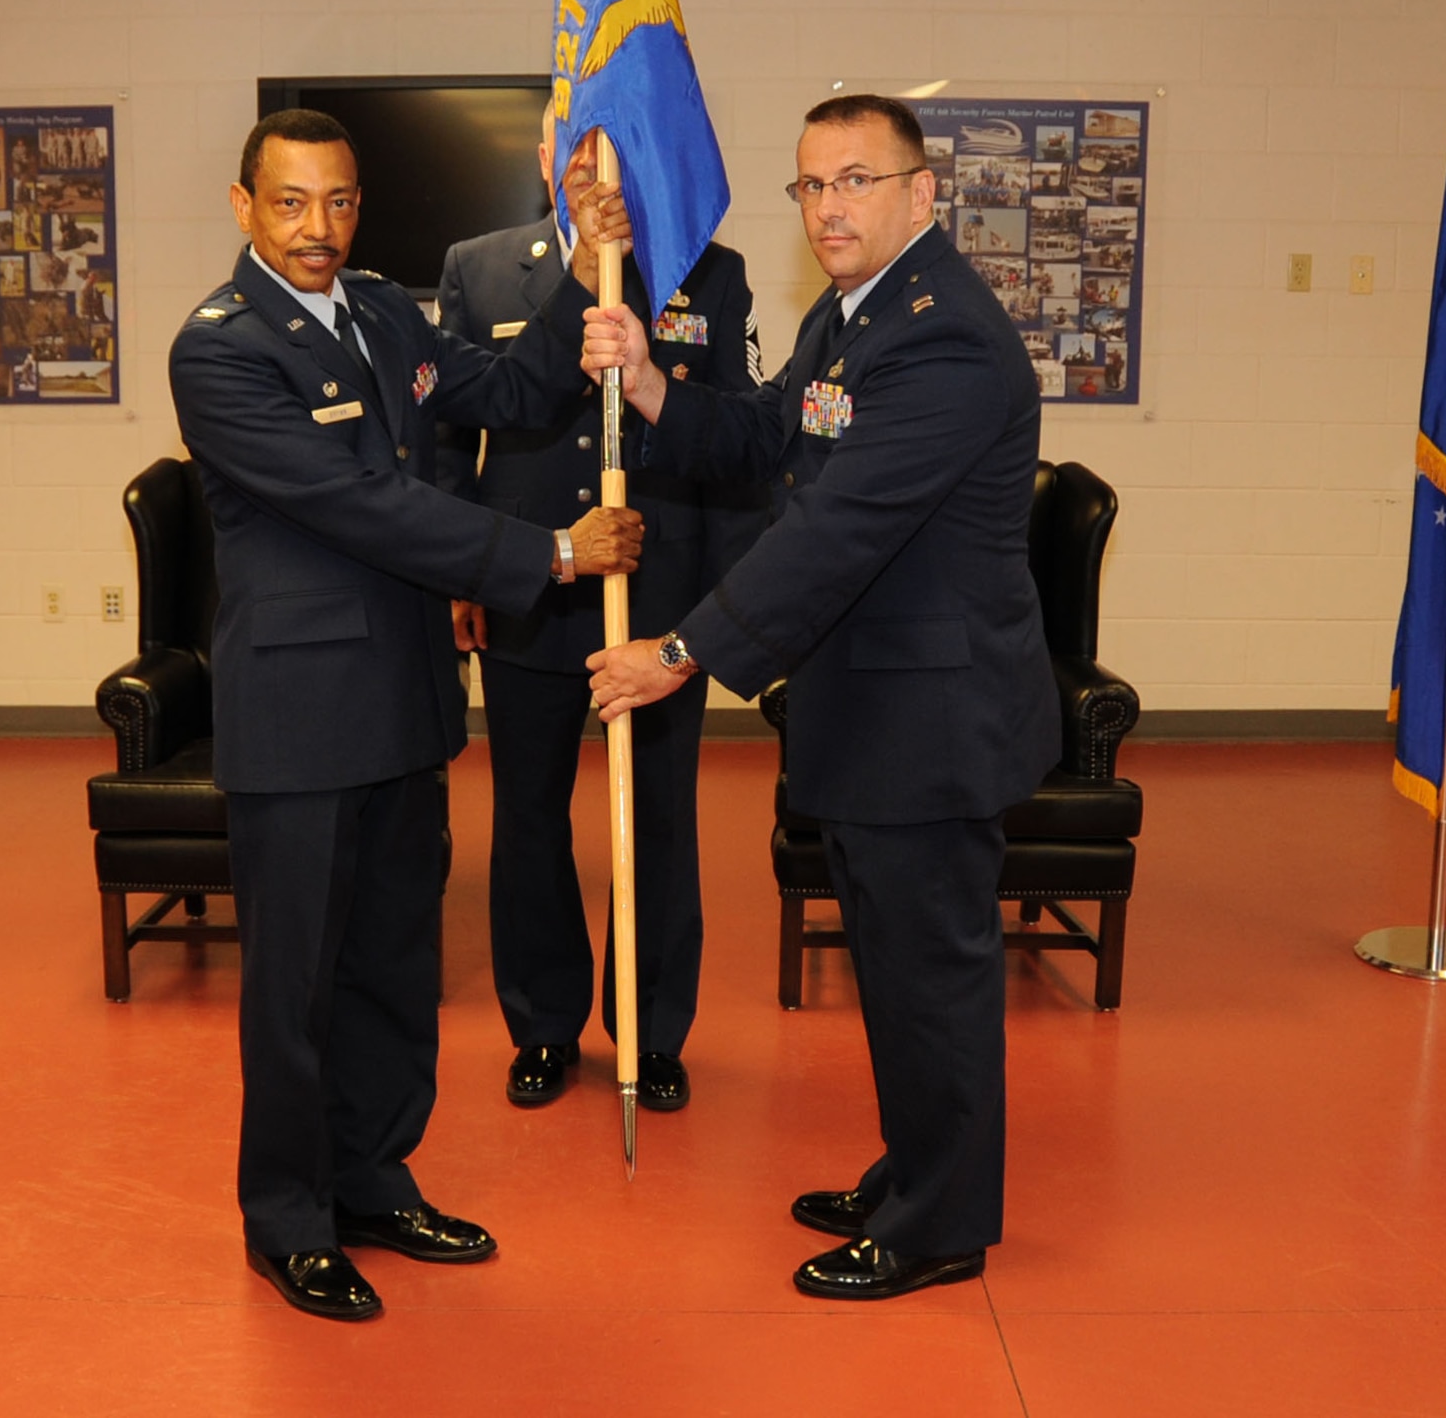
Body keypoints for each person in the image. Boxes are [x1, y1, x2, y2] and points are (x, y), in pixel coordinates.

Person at [168, 109, 642, 1323]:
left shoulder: (381, 308)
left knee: (392, 964)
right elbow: (361, 502)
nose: (316, 228)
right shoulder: (219, 352)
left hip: (406, 697)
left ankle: (374, 1178)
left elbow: (507, 384)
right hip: (299, 713)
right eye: (288, 203)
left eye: (336, 202)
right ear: (242, 207)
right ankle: (288, 1216)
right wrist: (544, 548)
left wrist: (584, 263)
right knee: (295, 987)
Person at [582, 94, 1057, 1301]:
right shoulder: (852, 320)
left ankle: (939, 1221)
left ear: (920, 191)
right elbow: (764, 436)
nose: (830, 205)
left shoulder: (942, 336)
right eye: (811, 186)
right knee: (894, 973)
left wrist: (675, 654)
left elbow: (836, 533)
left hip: (928, 723)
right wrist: (645, 380)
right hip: (868, 711)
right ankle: (912, 1170)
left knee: (929, 977)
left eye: (855, 179)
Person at [436, 112, 764, 1113]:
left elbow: (736, 445)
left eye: (610, 142)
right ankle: (540, 1024)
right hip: (529, 584)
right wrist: (459, 571)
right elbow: (453, 430)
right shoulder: (480, 267)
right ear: (545, 158)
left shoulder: (707, 270)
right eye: (572, 144)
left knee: (658, 818)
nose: (591, 163)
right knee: (527, 817)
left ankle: (653, 1028)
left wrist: (713, 605)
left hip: (656, 596)